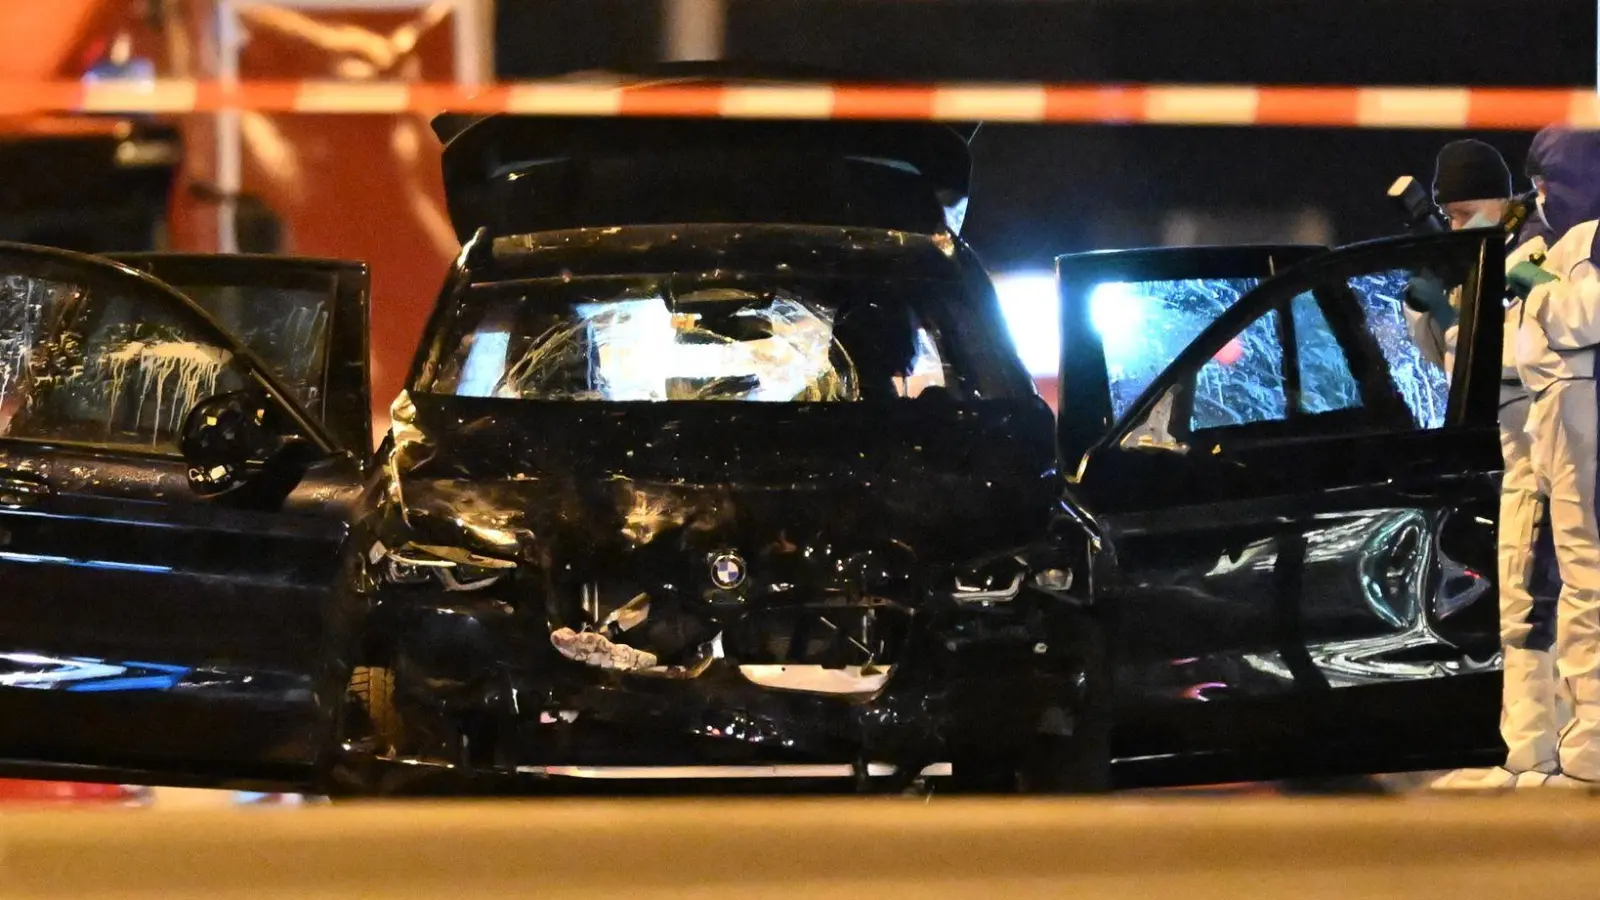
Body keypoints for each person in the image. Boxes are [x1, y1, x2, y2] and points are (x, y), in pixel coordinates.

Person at [1406, 139, 1564, 790]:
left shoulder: (1532, 253)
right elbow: (1448, 359)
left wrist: (1464, 295)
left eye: (1468, 211)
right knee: (1525, 606)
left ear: (1504, 200)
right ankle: (1532, 751)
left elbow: (1520, 350)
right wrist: (1433, 297)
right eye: (1449, 214)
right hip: (1508, 456)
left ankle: (1538, 757)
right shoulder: (1486, 256)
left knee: (1538, 605)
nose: (1458, 223)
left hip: (1547, 450)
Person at [1506, 127, 1600, 788]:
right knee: (1572, 579)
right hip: (1565, 411)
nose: (1540, 195)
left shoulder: (1589, 238)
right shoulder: (1570, 237)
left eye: (1549, 180)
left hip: (1584, 407)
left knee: (1587, 577)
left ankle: (1592, 740)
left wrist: (1536, 285)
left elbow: (1583, 318)